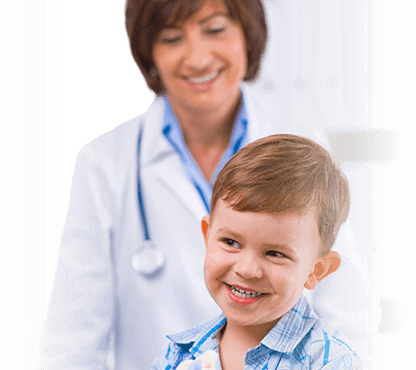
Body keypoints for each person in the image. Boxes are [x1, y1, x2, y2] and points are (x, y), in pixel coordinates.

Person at [40, 0, 272, 369]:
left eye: (214, 30)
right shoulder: (104, 164)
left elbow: (344, 313)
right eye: (171, 37)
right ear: (149, 54)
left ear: (248, 33)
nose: (197, 58)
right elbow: (75, 342)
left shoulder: (304, 147)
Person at [151, 134, 361, 370]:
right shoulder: (178, 355)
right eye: (230, 242)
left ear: (316, 270)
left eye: (275, 253)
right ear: (208, 236)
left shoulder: (330, 362)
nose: (246, 269)